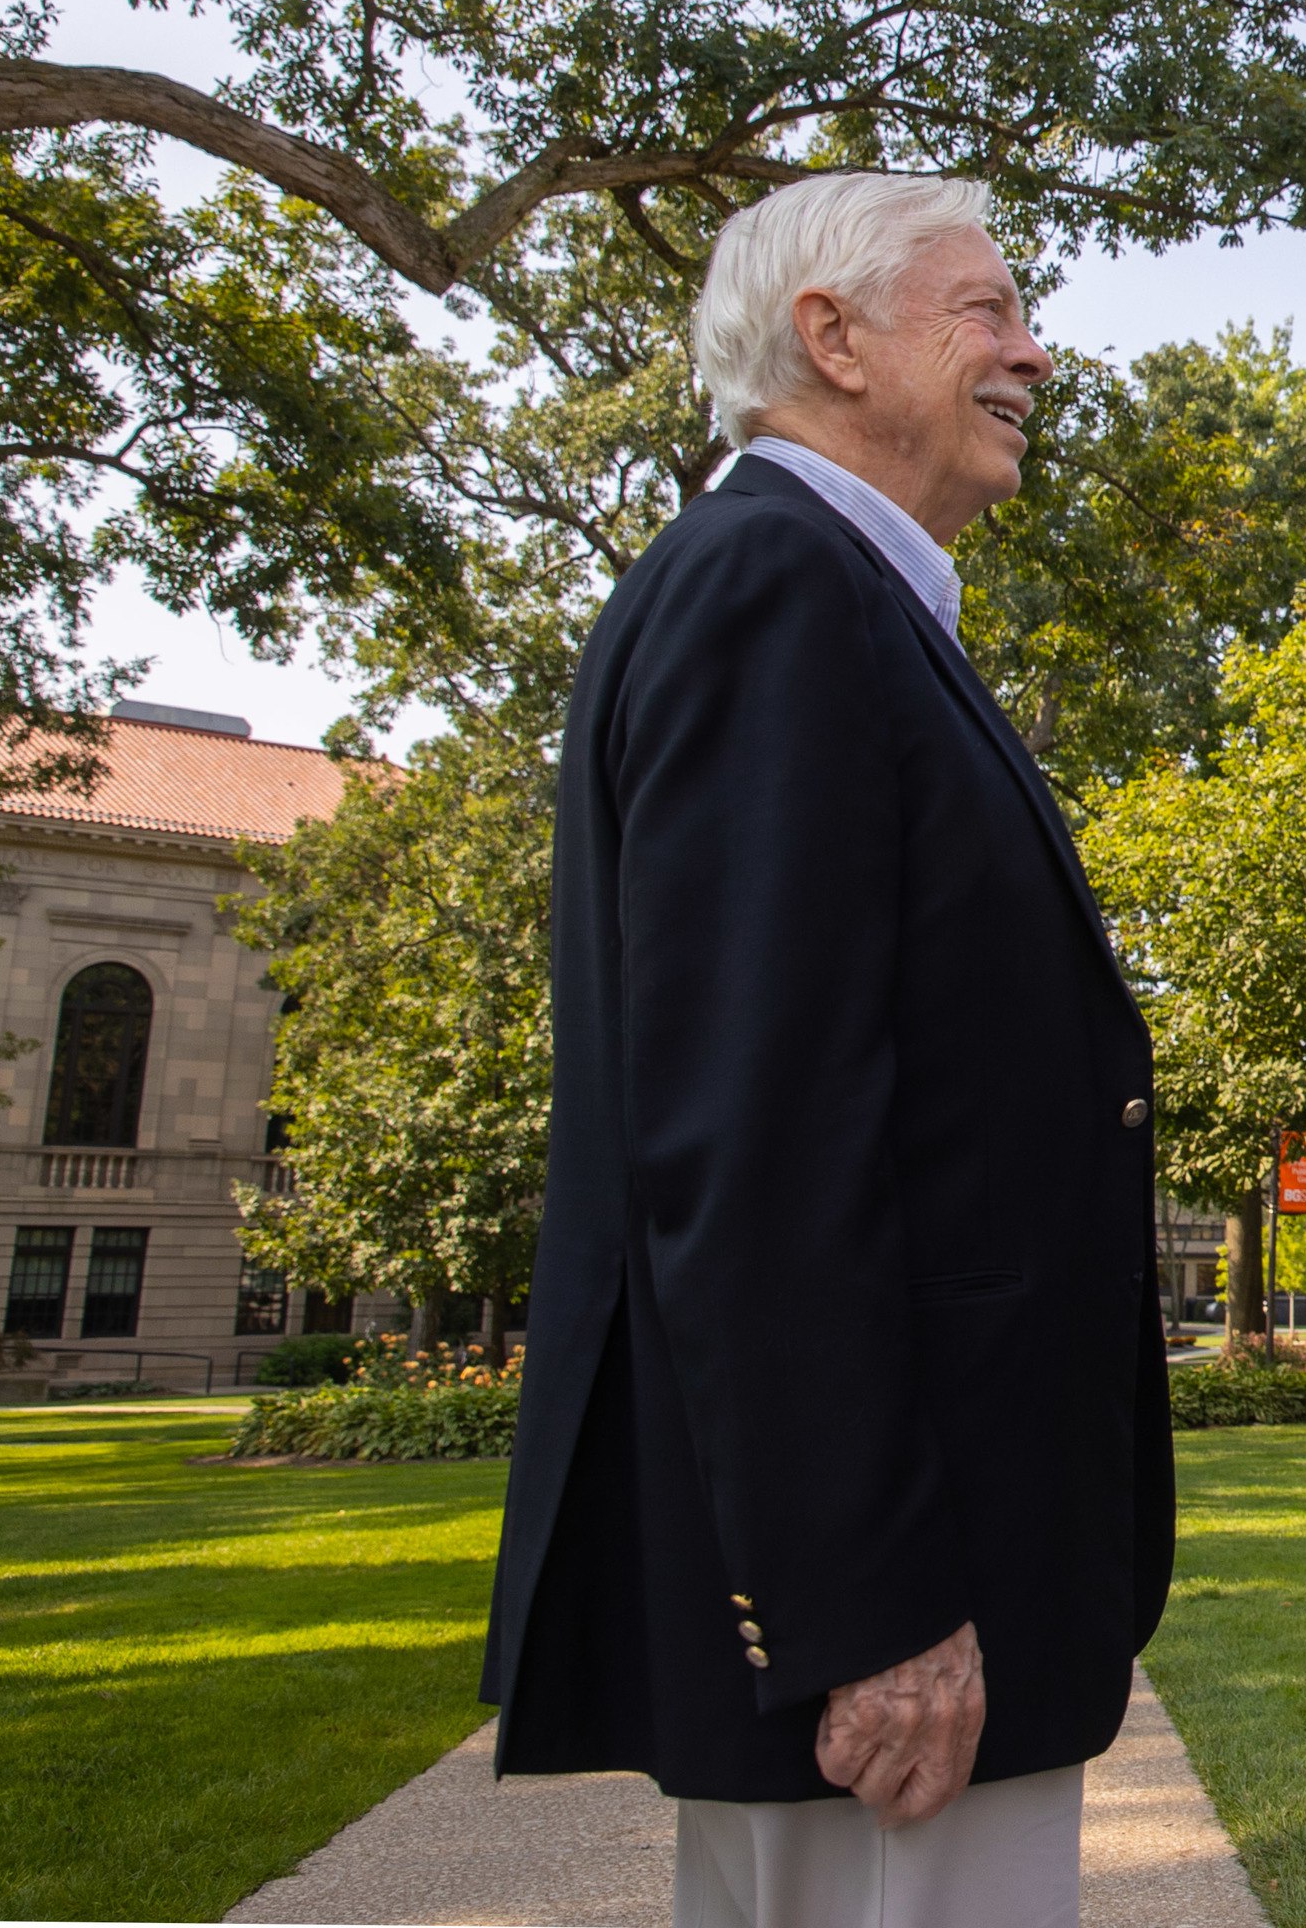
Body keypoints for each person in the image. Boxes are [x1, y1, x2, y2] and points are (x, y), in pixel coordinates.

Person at [483, 173, 1173, 1928]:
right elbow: (757, 1141)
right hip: (886, 1634)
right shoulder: (780, 590)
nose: (1035, 350)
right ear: (832, 337)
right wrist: (864, 1606)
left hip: (918, 1583)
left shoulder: (818, 591)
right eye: (987, 310)